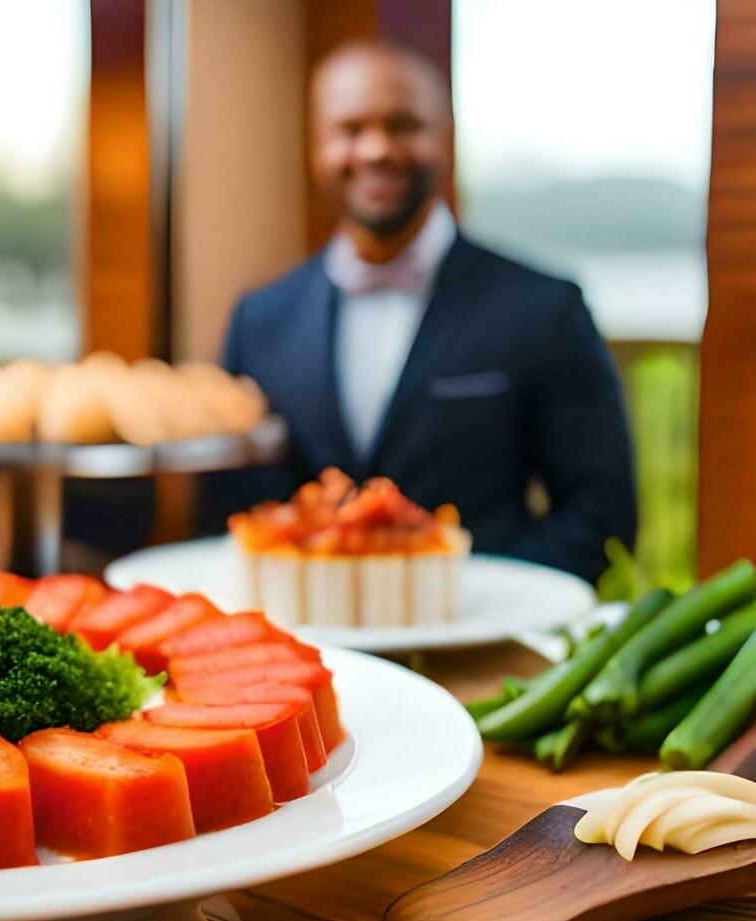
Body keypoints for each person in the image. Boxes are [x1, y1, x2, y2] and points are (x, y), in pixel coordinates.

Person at [199, 39, 636, 582]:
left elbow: (602, 512)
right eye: (351, 130)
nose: (377, 149)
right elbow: (232, 511)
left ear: (445, 139)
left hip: (488, 647)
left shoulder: (546, 309)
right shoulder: (260, 319)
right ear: (316, 145)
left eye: (404, 125)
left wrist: (473, 603)